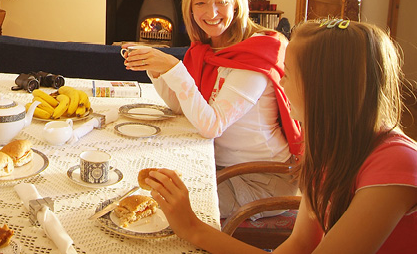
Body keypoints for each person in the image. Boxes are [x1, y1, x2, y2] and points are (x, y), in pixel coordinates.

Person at [145, 20, 417, 253]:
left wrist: (193, 228)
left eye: (287, 74)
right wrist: (192, 226)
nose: (281, 83)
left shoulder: (396, 163)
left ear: (323, 88)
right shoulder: (327, 147)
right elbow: (299, 245)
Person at [123, 0, 302, 218]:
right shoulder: (206, 50)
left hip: (261, 179)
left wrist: (174, 68)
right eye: (201, 3)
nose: (212, 12)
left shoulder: (258, 53)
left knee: (162, 208)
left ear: (237, 3)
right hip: (220, 165)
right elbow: (181, 106)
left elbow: (211, 125)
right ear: (190, 8)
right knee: (140, 184)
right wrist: (157, 68)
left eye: (222, 1)